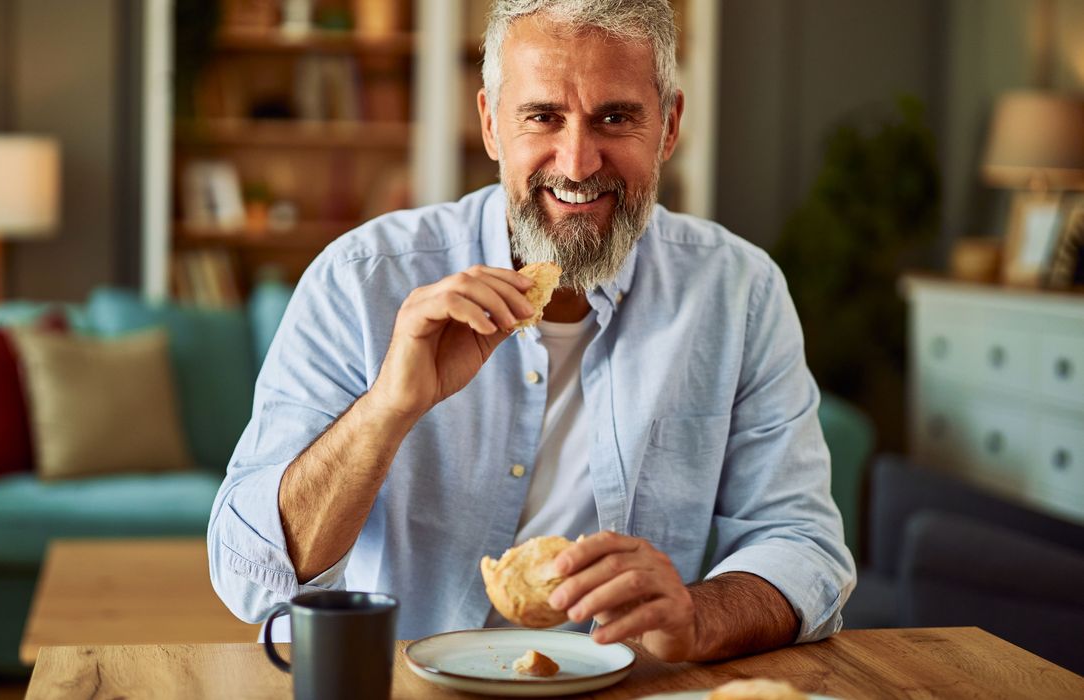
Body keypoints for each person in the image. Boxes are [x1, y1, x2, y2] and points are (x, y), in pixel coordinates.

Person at [208, 0, 855, 663]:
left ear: (669, 127)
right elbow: (251, 576)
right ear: (491, 124)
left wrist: (695, 616)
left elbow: (803, 545)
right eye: (543, 117)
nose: (576, 163)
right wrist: (387, 409)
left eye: (615, 117)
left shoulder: (737, 291)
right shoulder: (359, 280)